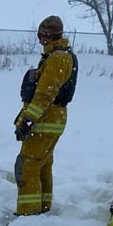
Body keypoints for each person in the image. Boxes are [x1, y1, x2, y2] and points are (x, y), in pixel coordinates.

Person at [12, 15, 78, 215]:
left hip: (46, 120)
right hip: (51, 118)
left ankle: (28, 213)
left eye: (41, 35)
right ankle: (43, 208)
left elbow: (44, 95)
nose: (40, 40)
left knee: (27, 167)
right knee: (42, 165)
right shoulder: (57, 56)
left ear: (48, 36)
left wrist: (28, 121)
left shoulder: (58, 58)